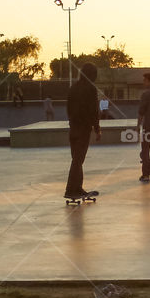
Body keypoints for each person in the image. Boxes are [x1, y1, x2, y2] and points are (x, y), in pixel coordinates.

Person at [65, 63, 101, 199]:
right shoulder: (91, 88)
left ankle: (78, 188)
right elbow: (94, 110)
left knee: (77, 159)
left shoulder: (73, 87)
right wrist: (97, 129)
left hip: (73, 128)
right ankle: (70, 190)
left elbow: (68, 107)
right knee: (78, 160)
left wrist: (71, 121)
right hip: (84, 128)